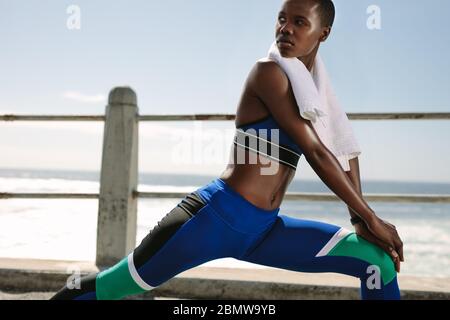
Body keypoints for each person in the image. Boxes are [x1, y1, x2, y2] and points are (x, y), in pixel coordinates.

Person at [50, 0, 404, 300]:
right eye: (282, 19)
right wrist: (372, 217)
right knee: (113, 286)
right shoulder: (268, 74)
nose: (285, 29)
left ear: (323, 33)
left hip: (265, 231)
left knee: (377, 261)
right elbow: (315, 150)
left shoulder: (316, 92)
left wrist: (360, 221)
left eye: (299, 22)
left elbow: (344, 150)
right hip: (211, 221)